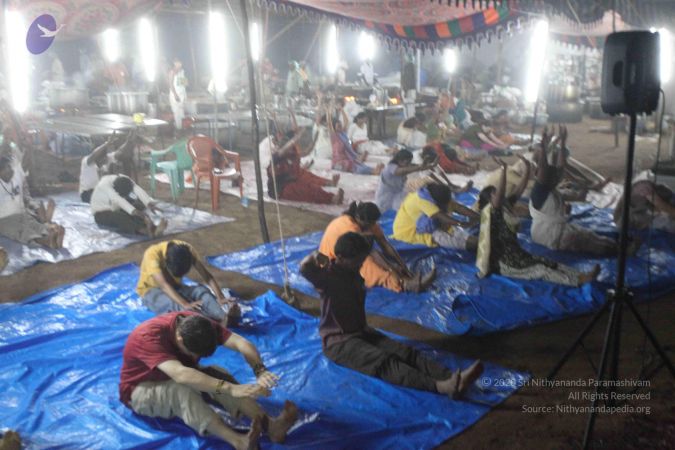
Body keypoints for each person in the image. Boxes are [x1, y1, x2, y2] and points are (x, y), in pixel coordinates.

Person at [302, 232, 483, 397]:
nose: (360, 264)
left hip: (361, 331)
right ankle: (440, 387)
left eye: (361, 260)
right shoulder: (329, 276)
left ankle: (452, 377)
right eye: (357, 261)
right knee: (383, 362)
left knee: (406, 352)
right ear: (341, 258)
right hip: (339, 342)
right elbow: (304, 268)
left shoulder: (353, 272)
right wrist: (315, 255)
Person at [119, 312, 298, 450]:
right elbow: (181, 374)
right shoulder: (148, 337)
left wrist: (260, 370)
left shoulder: (199, 324)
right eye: (193, 353)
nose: (196, 357)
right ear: (180, 338)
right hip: (140, 389)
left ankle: (270, 426)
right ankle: (239, 441)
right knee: (180, 390)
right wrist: (229, 388)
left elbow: (240, 343)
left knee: (217, 374)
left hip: (179, 373)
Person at [476, 157, 599, 286]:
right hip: (505, 262)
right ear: (490, 201)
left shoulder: (505, 206)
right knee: (540, 270)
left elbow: (520, 188)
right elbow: (500, 195)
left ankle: (581, 275)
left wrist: (527, 168)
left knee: (547, 261)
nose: (499, 194)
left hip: (516, 254)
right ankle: (577, 281)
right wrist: (503, 169)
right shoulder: (492, 213)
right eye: (495, 193)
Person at [529, 127, 632, 256]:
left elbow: (561, 168)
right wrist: (544, 147)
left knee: (591, 235)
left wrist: (563, 140)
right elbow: (544, 168)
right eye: (553, 177)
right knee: (588, 243)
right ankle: (621, 252)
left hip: (556, 229)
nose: (557, 178)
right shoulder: (539, 191)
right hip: (546, 235)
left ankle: (619, 246)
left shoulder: (552, 190)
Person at [319, 201, 435, 293]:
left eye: (373, 223)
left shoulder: (369, 223)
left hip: (351, 254)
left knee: (379, 258)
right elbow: (369, 253)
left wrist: (402, 265)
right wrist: (391, 269)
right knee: (368, 264)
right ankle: (404, 285)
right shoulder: (349, 227)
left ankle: (405, 276)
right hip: (332, 261)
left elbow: (385, 245)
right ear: (359, 218)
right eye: (369, 224)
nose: (372, 226)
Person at [138, 239, 242, 325]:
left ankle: (223, 317)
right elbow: (164, 285)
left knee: (201, 291)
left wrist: (220, 297)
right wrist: (185, 304)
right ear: (166, 261)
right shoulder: (152, 254)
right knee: (173, 304)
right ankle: (210, 323)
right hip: (152, 291)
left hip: (176, 287)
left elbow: (206, 276)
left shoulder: (187, 250)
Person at [0, 156, 64, 249]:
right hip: (4, 219)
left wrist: (35, 206)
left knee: (34, 224)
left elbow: (25, 163)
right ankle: (46, 240)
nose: (9, 171)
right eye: (5, 169)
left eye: (10, 167)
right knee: (22, 231)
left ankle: (53, 233)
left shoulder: (16, 177)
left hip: (21, 214)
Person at [393, 182, 479, 251]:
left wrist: (478, 216)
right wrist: (460, 224)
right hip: (411, 232)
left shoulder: (435, 194)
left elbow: (458, 207)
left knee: (457, 232)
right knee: (446, 238)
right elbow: (441, 216)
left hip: (432, 223)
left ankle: (475, 242)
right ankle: (474, 245)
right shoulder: (423, 202)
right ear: (438, 203)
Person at [267, 129, 344, 205]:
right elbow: (284, 150)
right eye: (290, 147)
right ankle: (332, 199)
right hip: (281, 189)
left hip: (291, 180)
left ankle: (331, 193)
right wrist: (296, 138)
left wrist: (314, 141)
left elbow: (306, 152)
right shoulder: (276, 156)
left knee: (311, 186)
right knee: (306, 191)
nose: (291, 148)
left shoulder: (291, 154)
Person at [90, 174, 167, 237]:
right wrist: (135, 211)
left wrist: (148, 204)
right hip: (101, 213)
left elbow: (136, 188)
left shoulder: (125, 179)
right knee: (121, 217)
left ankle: (153, 229)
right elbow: (118, 199)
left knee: (138, 207)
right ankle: (146, 231)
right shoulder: (104, 185)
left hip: (116, 207)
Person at [326, 103, 383, 175]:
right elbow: (329, 123)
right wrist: (328, 112)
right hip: (337, 163)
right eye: (338, 126)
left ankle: (373, 170)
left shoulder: (343, 133)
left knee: (357, 163)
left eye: (340, 125)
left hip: (347, 158)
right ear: (334, 127)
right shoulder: (334, 136)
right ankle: (372, 171)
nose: (340, 126)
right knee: (352, 165)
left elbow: (346, 121)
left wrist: (342, 110)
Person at [79, 132, 133, 202]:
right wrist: (107, 143)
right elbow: (94, 155)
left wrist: (129, 141)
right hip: (87, 193)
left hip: (100, 191)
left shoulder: (107, 158)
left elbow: (120, 152)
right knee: (109, 198)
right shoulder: (86, 161)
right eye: (101, 159)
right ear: (97, 158)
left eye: (104, 158)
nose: (104, 161)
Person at [169, 58, 188, 131]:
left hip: (182, 94)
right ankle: (178, 129)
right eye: (177, 63)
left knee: (181, 112)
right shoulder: (172, 72)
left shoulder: (182, 71)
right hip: (175, 94)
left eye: (180, 63)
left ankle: (182, 128)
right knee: (177, 113)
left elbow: (183, 84)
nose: (179, 64)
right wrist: (175, 95)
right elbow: (171, 84)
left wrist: (185, 95)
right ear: (174, 63)